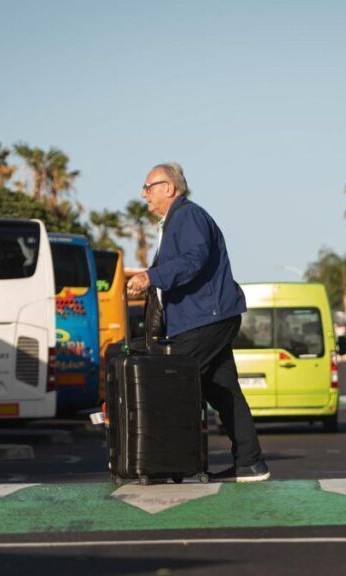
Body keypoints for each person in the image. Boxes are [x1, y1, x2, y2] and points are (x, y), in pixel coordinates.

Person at [126, 162, 269, 482]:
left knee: (172, 387)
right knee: (223, 389)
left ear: (169, 188)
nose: (143, 194)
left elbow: (194, 259)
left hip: (205, 318)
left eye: (149, 186)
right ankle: (250, 462)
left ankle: (168, 464)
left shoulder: (187, 215)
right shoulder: (174, 221)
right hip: (204, 318)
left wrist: (152, 276)